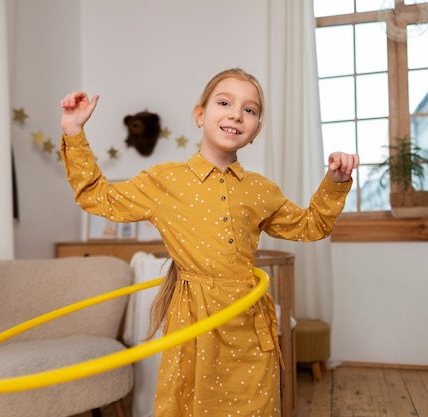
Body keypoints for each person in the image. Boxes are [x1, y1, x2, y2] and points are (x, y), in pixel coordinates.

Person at [60, 68, 359, 417]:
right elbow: (97, 197)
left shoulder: (262, 190)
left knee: (254, 408)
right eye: (224, 102)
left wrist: (336, 181)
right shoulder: (164, 181)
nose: (236, 114)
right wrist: (74, 131)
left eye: (250, 110)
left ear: (255, 131)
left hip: (248, 321)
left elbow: (312, 226)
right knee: (190, 406)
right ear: (200, 114)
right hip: (193, 321)